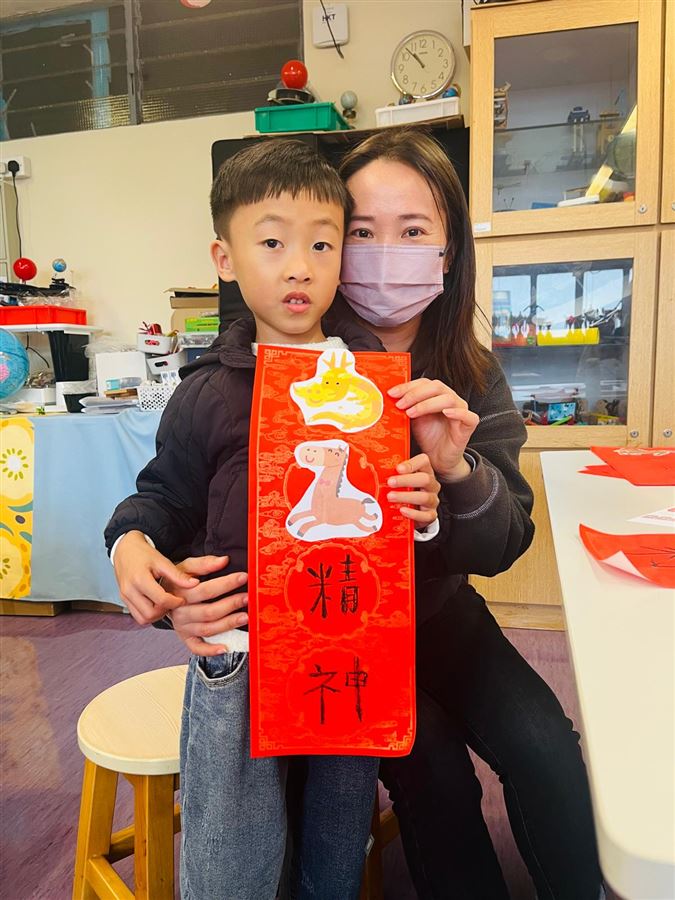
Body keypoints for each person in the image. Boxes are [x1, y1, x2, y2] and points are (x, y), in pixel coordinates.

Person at [116, 128, 603, 899]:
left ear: (448, 247)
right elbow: (186, 502)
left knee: (544, 744)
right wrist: (152, 564)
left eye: (411, 232)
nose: (380, 254)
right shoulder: (249, 377)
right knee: (424, 762)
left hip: (434, 612)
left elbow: (504, 536)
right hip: (325, 625)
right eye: (362, 232)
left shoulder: (464, 374)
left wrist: (453, 477)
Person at [105, 138, 441, 900]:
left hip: (343, 648)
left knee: (335, 846)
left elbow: (393, 516)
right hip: (239, 653)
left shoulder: (376, 385)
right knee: (232, 859)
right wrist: (130, 541)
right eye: (271, 243)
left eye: (322, 244)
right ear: (224, 258)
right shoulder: (206, 393)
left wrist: (422, 510)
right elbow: (164, 496)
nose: (299, 267)